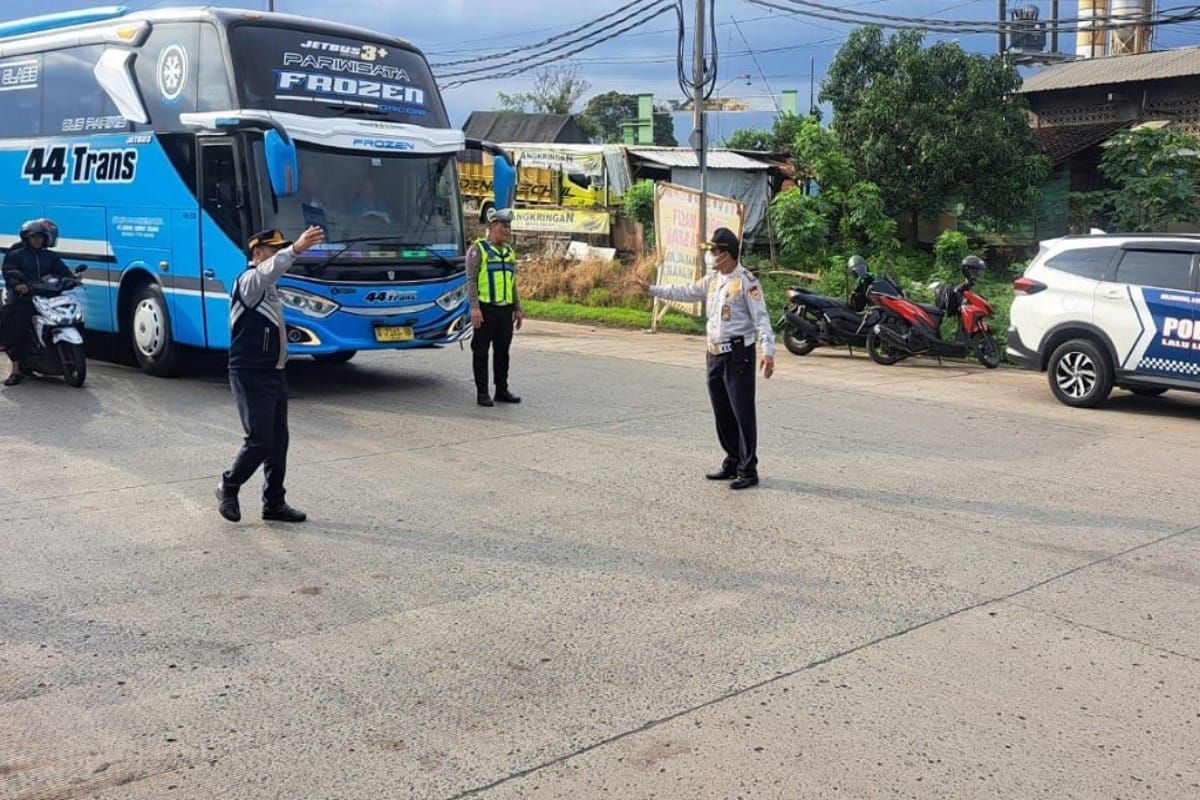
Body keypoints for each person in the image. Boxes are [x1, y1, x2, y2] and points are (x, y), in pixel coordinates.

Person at [636, 227, 775, 489]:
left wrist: (768, 352)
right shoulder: (713, 281)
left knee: (742, 413)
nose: (711, 256)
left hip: (738, 356)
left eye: (715, 251)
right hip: (714, 355)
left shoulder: (746, 281)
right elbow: (685, 291)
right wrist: (652, 290)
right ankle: (732, 460)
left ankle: (748, 469)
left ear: (728, 253)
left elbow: (762, 319)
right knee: (722, 411)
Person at [215, 225, 325, 524]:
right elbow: (268, 271)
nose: (278, 254)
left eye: (280, 249)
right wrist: (297, 249)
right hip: (250, 372)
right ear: (257, 253)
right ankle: (228, 485)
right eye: (273, 250)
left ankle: (274, 503)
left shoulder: (268, 286)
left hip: (273, 372)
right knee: (260, 439)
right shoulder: (250, 280)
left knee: (278, 442)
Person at [1, 219, 71, 386]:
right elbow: (10, 271)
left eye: (40, 237)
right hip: (25, 298)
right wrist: (19, 285)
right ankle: (16, 369)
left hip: (48, 297)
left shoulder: (50, 256)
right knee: (17, 326)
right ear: (26, 238)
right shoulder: (16, 254)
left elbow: (63, 271)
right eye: (34, 237)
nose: (37, 240)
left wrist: (72, 278)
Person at [466, 207, 524, 407]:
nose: (507, 231)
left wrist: (518, 307)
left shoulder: (509, 252)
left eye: (509, 227)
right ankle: (482, 393)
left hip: (505, 310)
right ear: (492, 227)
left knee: (502, 351)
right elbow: (471, 280)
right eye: (503, 227)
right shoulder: (477, 250)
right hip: (485, 309)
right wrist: (474, 307)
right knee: (481, 351)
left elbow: (512, 282)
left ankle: (501, 389)